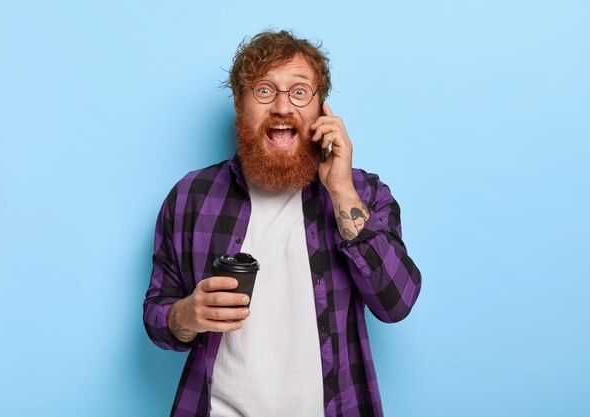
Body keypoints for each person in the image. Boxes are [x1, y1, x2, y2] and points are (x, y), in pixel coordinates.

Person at [143, 30, 422, 417]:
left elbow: (397, 302)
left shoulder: (363, 194)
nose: (282, 107)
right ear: (240, 106)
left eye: (300, 92)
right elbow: (158, 313)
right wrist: (186, 315)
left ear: (322, 109)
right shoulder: (192, 196)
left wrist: (340, 190)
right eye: (263, 91)